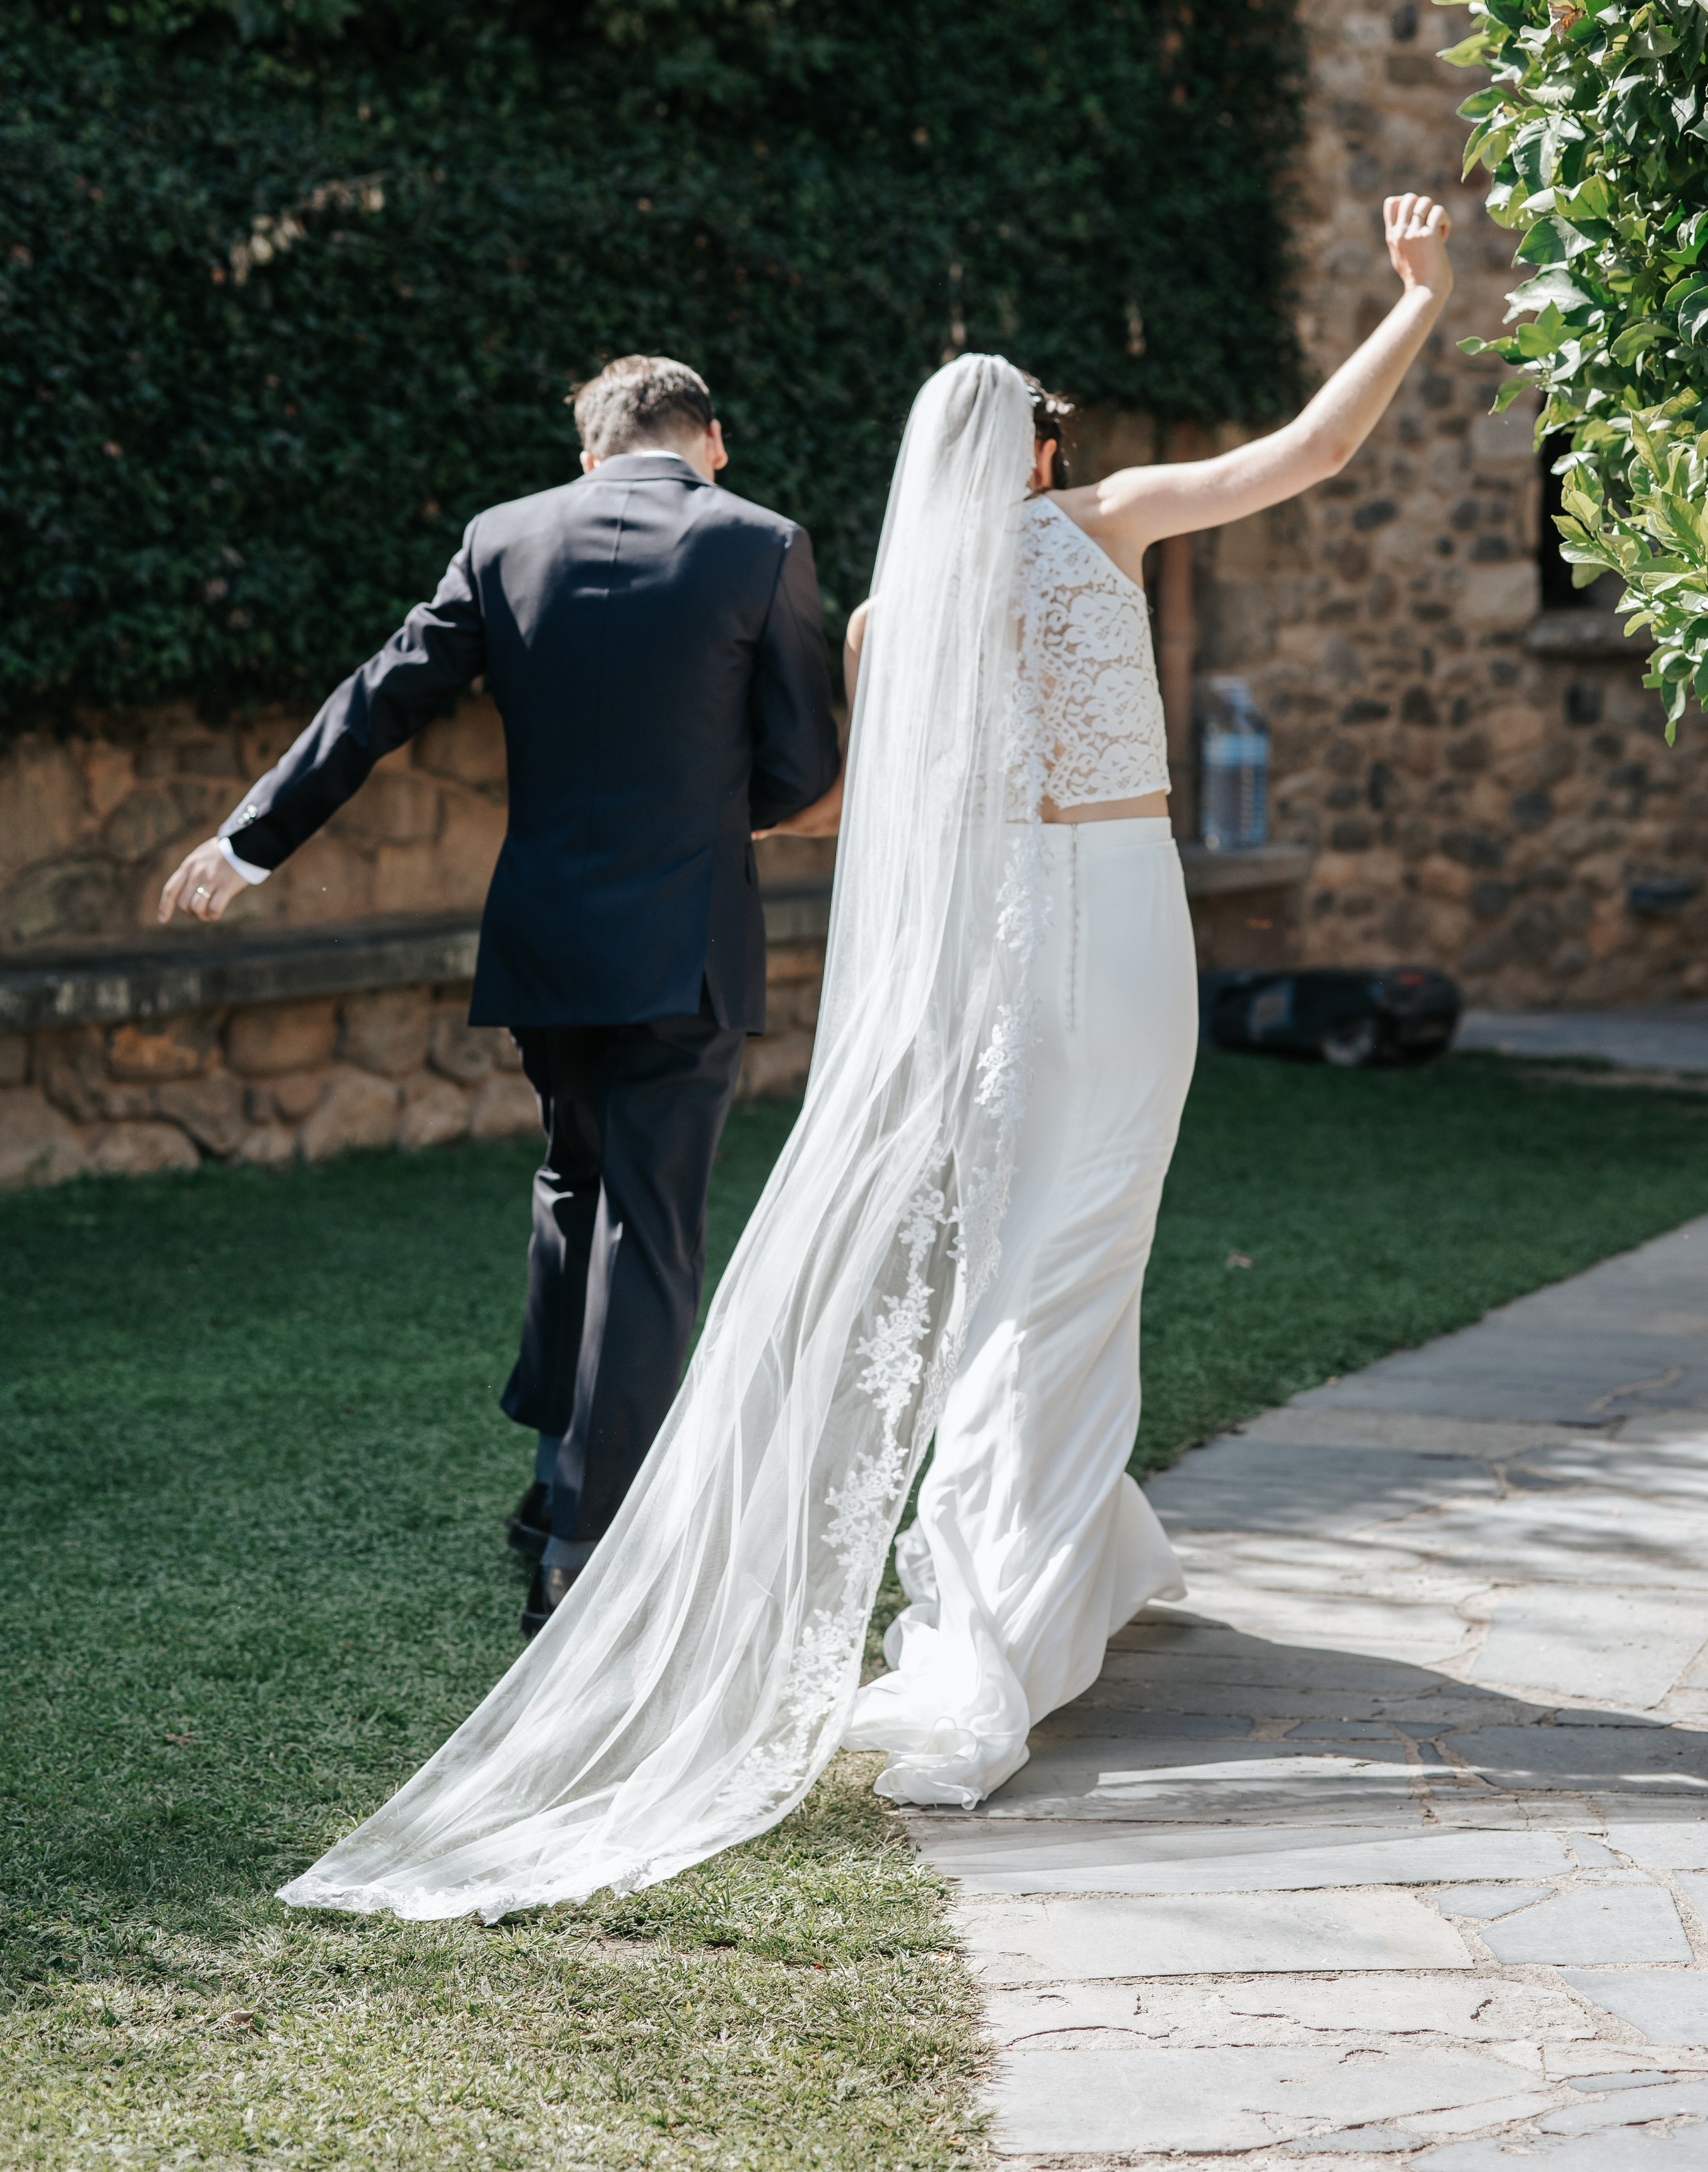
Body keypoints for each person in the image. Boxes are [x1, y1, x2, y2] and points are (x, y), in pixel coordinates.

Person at [278, 191, 1452, 1921]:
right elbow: (1315, 444)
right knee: (1084, 1250)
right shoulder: (1112, 524)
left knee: (1011, 1271)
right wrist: (1418, 299)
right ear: (1042, 451)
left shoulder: (890, 623)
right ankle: (1002, 1627)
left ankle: (1076, 1552)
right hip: (1120, 925)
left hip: (994, 960)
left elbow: (834, 813)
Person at [158, 357, 841, 1634]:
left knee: (572, 1186)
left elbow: (381, 698)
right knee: (648, 1225)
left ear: (589, 455)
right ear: (714, 442)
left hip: (544, 944)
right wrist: (693, 823)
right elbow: (802, 771)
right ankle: (586, 1545)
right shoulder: (764, 545)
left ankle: (546, 1493)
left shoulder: (504, 536)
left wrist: (250, 843)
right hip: (681, 944)